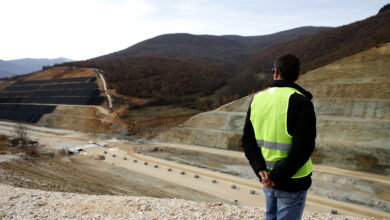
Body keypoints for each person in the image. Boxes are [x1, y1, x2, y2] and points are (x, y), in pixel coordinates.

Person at [242, 54, 316, 220]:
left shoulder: (257, 99)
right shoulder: (301, 102)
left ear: (275, 73)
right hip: (292, 181)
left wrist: (260, 170)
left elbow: (248, 141)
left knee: (271, 216)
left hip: (266, 178)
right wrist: (276, 178)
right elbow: (303, 148)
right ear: (298, 75)